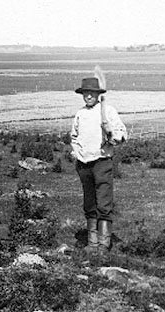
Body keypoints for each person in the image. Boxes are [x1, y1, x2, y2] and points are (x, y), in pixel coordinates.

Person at [70, 76, 127, 253]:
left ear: (97, 94)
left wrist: (112, 136)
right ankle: (92, 242)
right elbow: (74, 137)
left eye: (92, 93)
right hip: (84, 163)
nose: (88, 96)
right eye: (86, 93)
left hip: (101, 162)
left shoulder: (107, 111)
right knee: (89, 202)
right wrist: (77, 153)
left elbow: (121, 133)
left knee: (103, 201)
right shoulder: (80, 114)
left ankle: (103, 243)